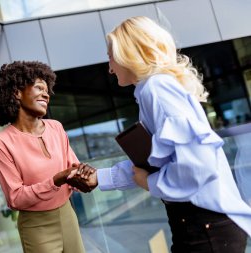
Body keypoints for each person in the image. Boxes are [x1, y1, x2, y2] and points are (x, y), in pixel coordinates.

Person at [70, 16, 251, 253]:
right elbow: (154, 162)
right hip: (202, 225)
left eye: (110, 56)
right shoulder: (153, 89)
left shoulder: (156, 89)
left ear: (129, 53)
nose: (110, 68)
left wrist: (150, 183)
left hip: (204, 228)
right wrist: (99, 178)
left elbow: (198, 165)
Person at [0, 61, 86, 253]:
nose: (46, 94)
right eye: (39, 87)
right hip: (37, 226)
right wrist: (57, 179)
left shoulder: (56, 127)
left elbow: (73, 168)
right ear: (17, 93)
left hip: (68, 214)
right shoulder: (0, 143)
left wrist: (82, 176)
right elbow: (15, 198)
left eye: (47, 90)